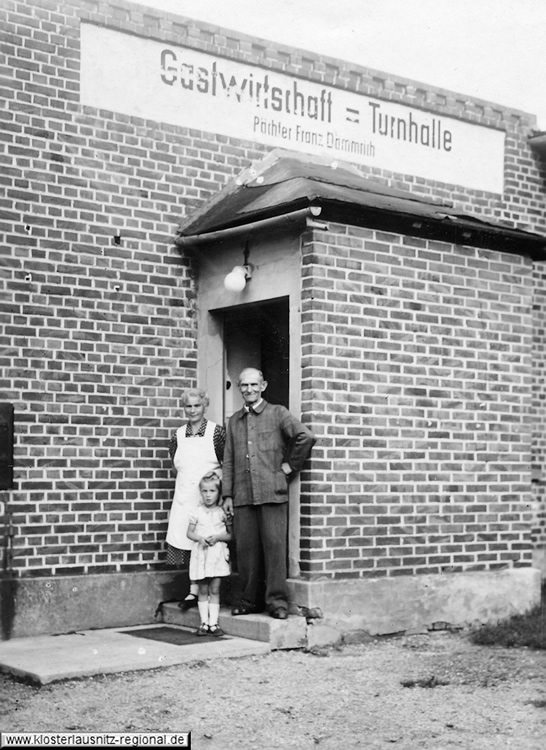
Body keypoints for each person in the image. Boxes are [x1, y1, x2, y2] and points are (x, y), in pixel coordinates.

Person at [222, 367, 316, 620]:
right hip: (243, 494)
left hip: (272, 491)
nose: (249, 390)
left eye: (254, 385)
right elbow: (229, 459)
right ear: (239, 388)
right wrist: (228, 495)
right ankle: (250, 600)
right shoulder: (233, 421)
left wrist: (288, 467)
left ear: (263, 386)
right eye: (244, 386)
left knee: (275, 548)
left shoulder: (277, 413)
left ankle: (277, 603)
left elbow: (304, 436)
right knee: (247, 551)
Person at [166, 388, 225, 611]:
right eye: (188, 406)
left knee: (207, 542)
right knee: (187, 542)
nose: (192, 410)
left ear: (205, 406)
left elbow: (225, 463)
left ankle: (210, 591)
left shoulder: (216, 432)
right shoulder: (178, 435)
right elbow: (176, 464)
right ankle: (192, 592)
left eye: (197, 406)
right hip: (184, 497)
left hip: (207, 498)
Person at [187, 471, 232, 636]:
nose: (208, 495)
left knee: (215, 590)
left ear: (218, 493)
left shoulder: (222, 513)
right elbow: (189, 533)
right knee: (203, 590)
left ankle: (214, 623)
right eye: (204, 491)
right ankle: (203, 623)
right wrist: (199, 539)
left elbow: (230, 535)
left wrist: (218, 537)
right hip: (202, 555)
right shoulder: (197, 512)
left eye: (212, 491)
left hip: (217, 556)